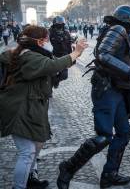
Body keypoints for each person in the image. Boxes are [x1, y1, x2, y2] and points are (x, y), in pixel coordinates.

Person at [56, 5, 130, 189]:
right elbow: (103, 55)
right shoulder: (118, 29)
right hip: (106, 90)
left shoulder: (119, 31)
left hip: (117, 90)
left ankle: (109, 174)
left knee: (124, 131)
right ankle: (68, 168)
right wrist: (129, 71)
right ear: (127, 22)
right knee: (104, 136)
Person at [0, 25, 87, 189]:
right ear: (38, 41)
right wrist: (76, 53)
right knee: (27, 152)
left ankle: (30, 178)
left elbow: (52, 63)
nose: (48, 42)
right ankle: (19, 186)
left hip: (31, 106)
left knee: (38, 142)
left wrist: (73, 55)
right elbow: (50, 66)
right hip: (20, 109)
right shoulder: (30, 57)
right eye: (46, 39)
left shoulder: (30, 54)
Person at [49, 16, 73, 88]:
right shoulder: (49, 32)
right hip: (53, 57)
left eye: (62, 22)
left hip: (64, 56)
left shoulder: (66, 33)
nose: (61, 24)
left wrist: (71, 57)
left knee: (64, 75)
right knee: (51, 75)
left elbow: (69, 45)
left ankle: (56, 81)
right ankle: (49, 90)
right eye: (59, 22)